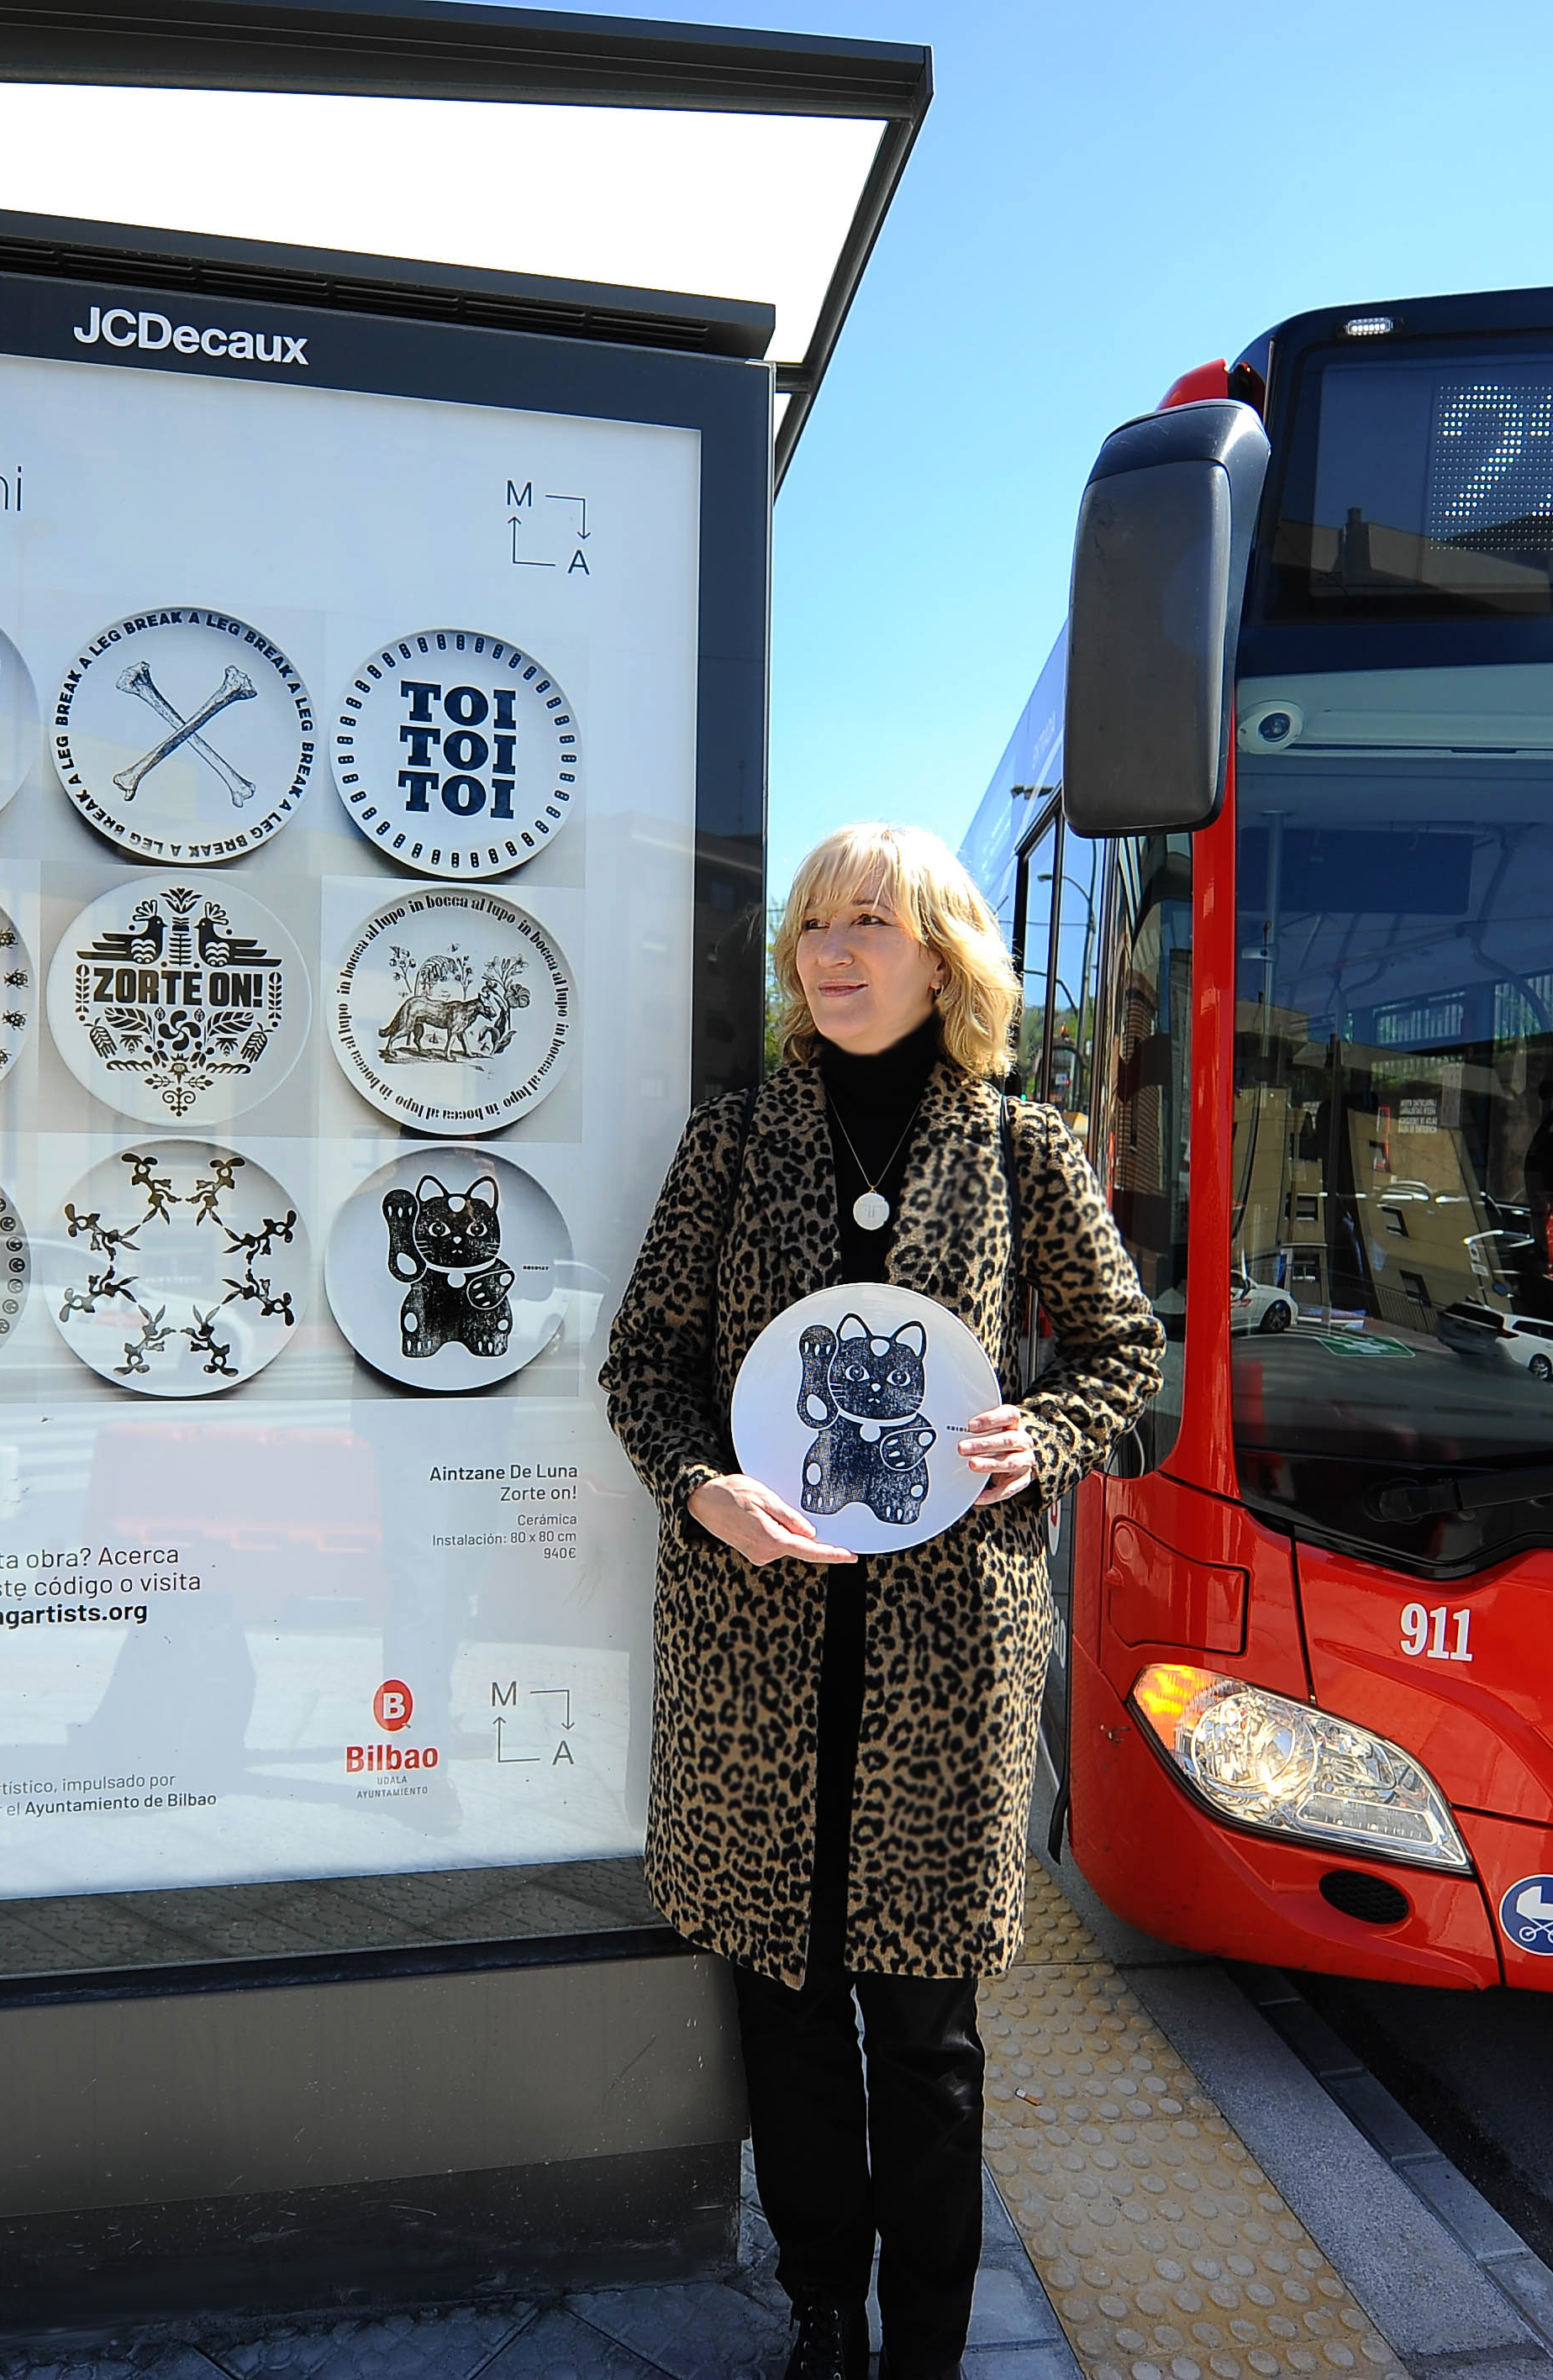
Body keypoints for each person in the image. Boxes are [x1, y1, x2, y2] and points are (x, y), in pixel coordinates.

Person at [603, 823, 1164, 2380]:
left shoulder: (1022, 1150)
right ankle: (820, 2314)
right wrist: (704, 1490)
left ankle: (928, 2340)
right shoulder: (729, 1145)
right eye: (813, 925)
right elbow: (641, 1369)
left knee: (927, 2034)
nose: (834, 952)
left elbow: (1128, 1355)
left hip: (947, 1661)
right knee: (783, 2013)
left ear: (946, 953)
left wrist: (1035, 1435)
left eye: (873, 922)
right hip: (755, 1654)